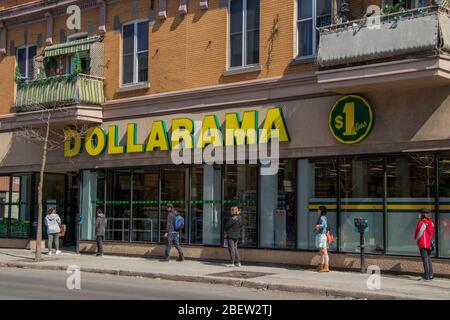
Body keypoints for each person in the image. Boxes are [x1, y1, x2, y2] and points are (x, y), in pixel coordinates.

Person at [414, 208, 435, 280]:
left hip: (423, 243)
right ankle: (431, 275)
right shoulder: (431, 223)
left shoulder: (421, 223)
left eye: (419, 213)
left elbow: (418, 233)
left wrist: (416, 239)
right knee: (428, 259)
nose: (418, 215)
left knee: (425, 259)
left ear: (422, 214)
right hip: (429, 243)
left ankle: (426, 276)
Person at [314, 205, 330, 272]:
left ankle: (326, 267)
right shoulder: (321, 217)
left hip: (322, 236)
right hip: (320, 235)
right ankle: (322, 265)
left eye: (318, 210)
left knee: (324, 251)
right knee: (321, 252)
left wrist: (318, 226)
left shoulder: (322, 217)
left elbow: (324, 225)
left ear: (321, 211)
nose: (317, 211)